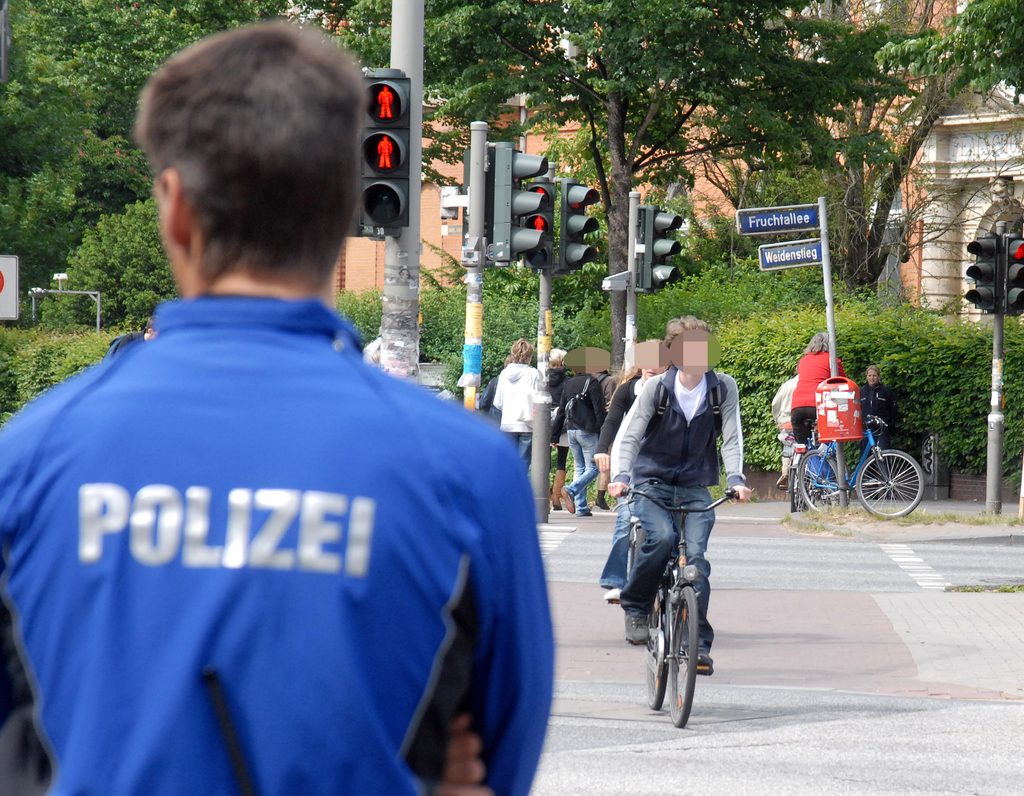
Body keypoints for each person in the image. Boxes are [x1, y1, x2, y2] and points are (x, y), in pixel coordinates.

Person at [0, 23, 552, 796]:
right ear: (349, 208)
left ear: (175, 209)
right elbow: (502, 753)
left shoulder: (27, 459)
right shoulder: (467, 470)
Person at [609, 317, 752, 674]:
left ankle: (698, 646)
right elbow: (630, 436)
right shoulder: (656, 388)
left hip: (694, 485)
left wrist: (735, 477)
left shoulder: (723, 388)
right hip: (651, 482)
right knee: (660, 539)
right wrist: (622, 475)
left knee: (697, 565)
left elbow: (732, 437)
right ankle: (637, 606)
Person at [594, 351, 663, 603]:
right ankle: (616, 580)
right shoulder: (628, 391)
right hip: (628, 461)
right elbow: (611, 421)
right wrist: (602, 450)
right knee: (626, 517)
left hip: (659, 463)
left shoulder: (670, 391)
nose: (652, 368)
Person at [551, 363, 608, 516]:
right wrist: (604, 431)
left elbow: (561, 411)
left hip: (571, 430)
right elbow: (599, 408)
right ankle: (570, 489)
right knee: (594, 468)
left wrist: (554, 435)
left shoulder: (568, 383)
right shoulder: (592, 382)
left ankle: (581, 507)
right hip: (588, 430)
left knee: (580, 467)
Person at [790, 332, 845, 448]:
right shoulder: (832, 360)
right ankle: (826, 454)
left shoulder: (803, 360)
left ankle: (802, 459)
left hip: (797, 406)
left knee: (802, 444)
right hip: (818, 404)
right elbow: (843, 382)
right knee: (831, 435)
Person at [493, 338, 542, 468]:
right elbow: (539, 400)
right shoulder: (533, 374)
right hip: (527, 424)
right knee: (523, 466)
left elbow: (497, 402)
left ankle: (505, 488)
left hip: (507, 424)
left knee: (507, 464)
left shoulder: (504, 374)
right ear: (529, 356)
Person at [547, 348, 571, 510]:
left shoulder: (543, 379)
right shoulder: (568, 381)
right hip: (562, 423)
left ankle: (544, 496)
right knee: (562, 460)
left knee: (543, 459)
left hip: (544, 422)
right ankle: (556, 497)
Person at [860, 364, 897, 450]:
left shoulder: (886, 391)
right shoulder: (861, 391)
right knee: (866, 456)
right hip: (866, 430)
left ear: (878, 377)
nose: (871, 378)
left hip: (882, 430)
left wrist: (889, 425)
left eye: (874, 376)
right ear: (866, 377)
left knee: (883, 455)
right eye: (869, 375)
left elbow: (893, 409)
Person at [771, 375, 798, 490]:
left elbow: (775, 405)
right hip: (806, 420)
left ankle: (785, 473)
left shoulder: (787, 384)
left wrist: (777, 420)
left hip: (787, 421)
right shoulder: (812, 382)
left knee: (788, 446)